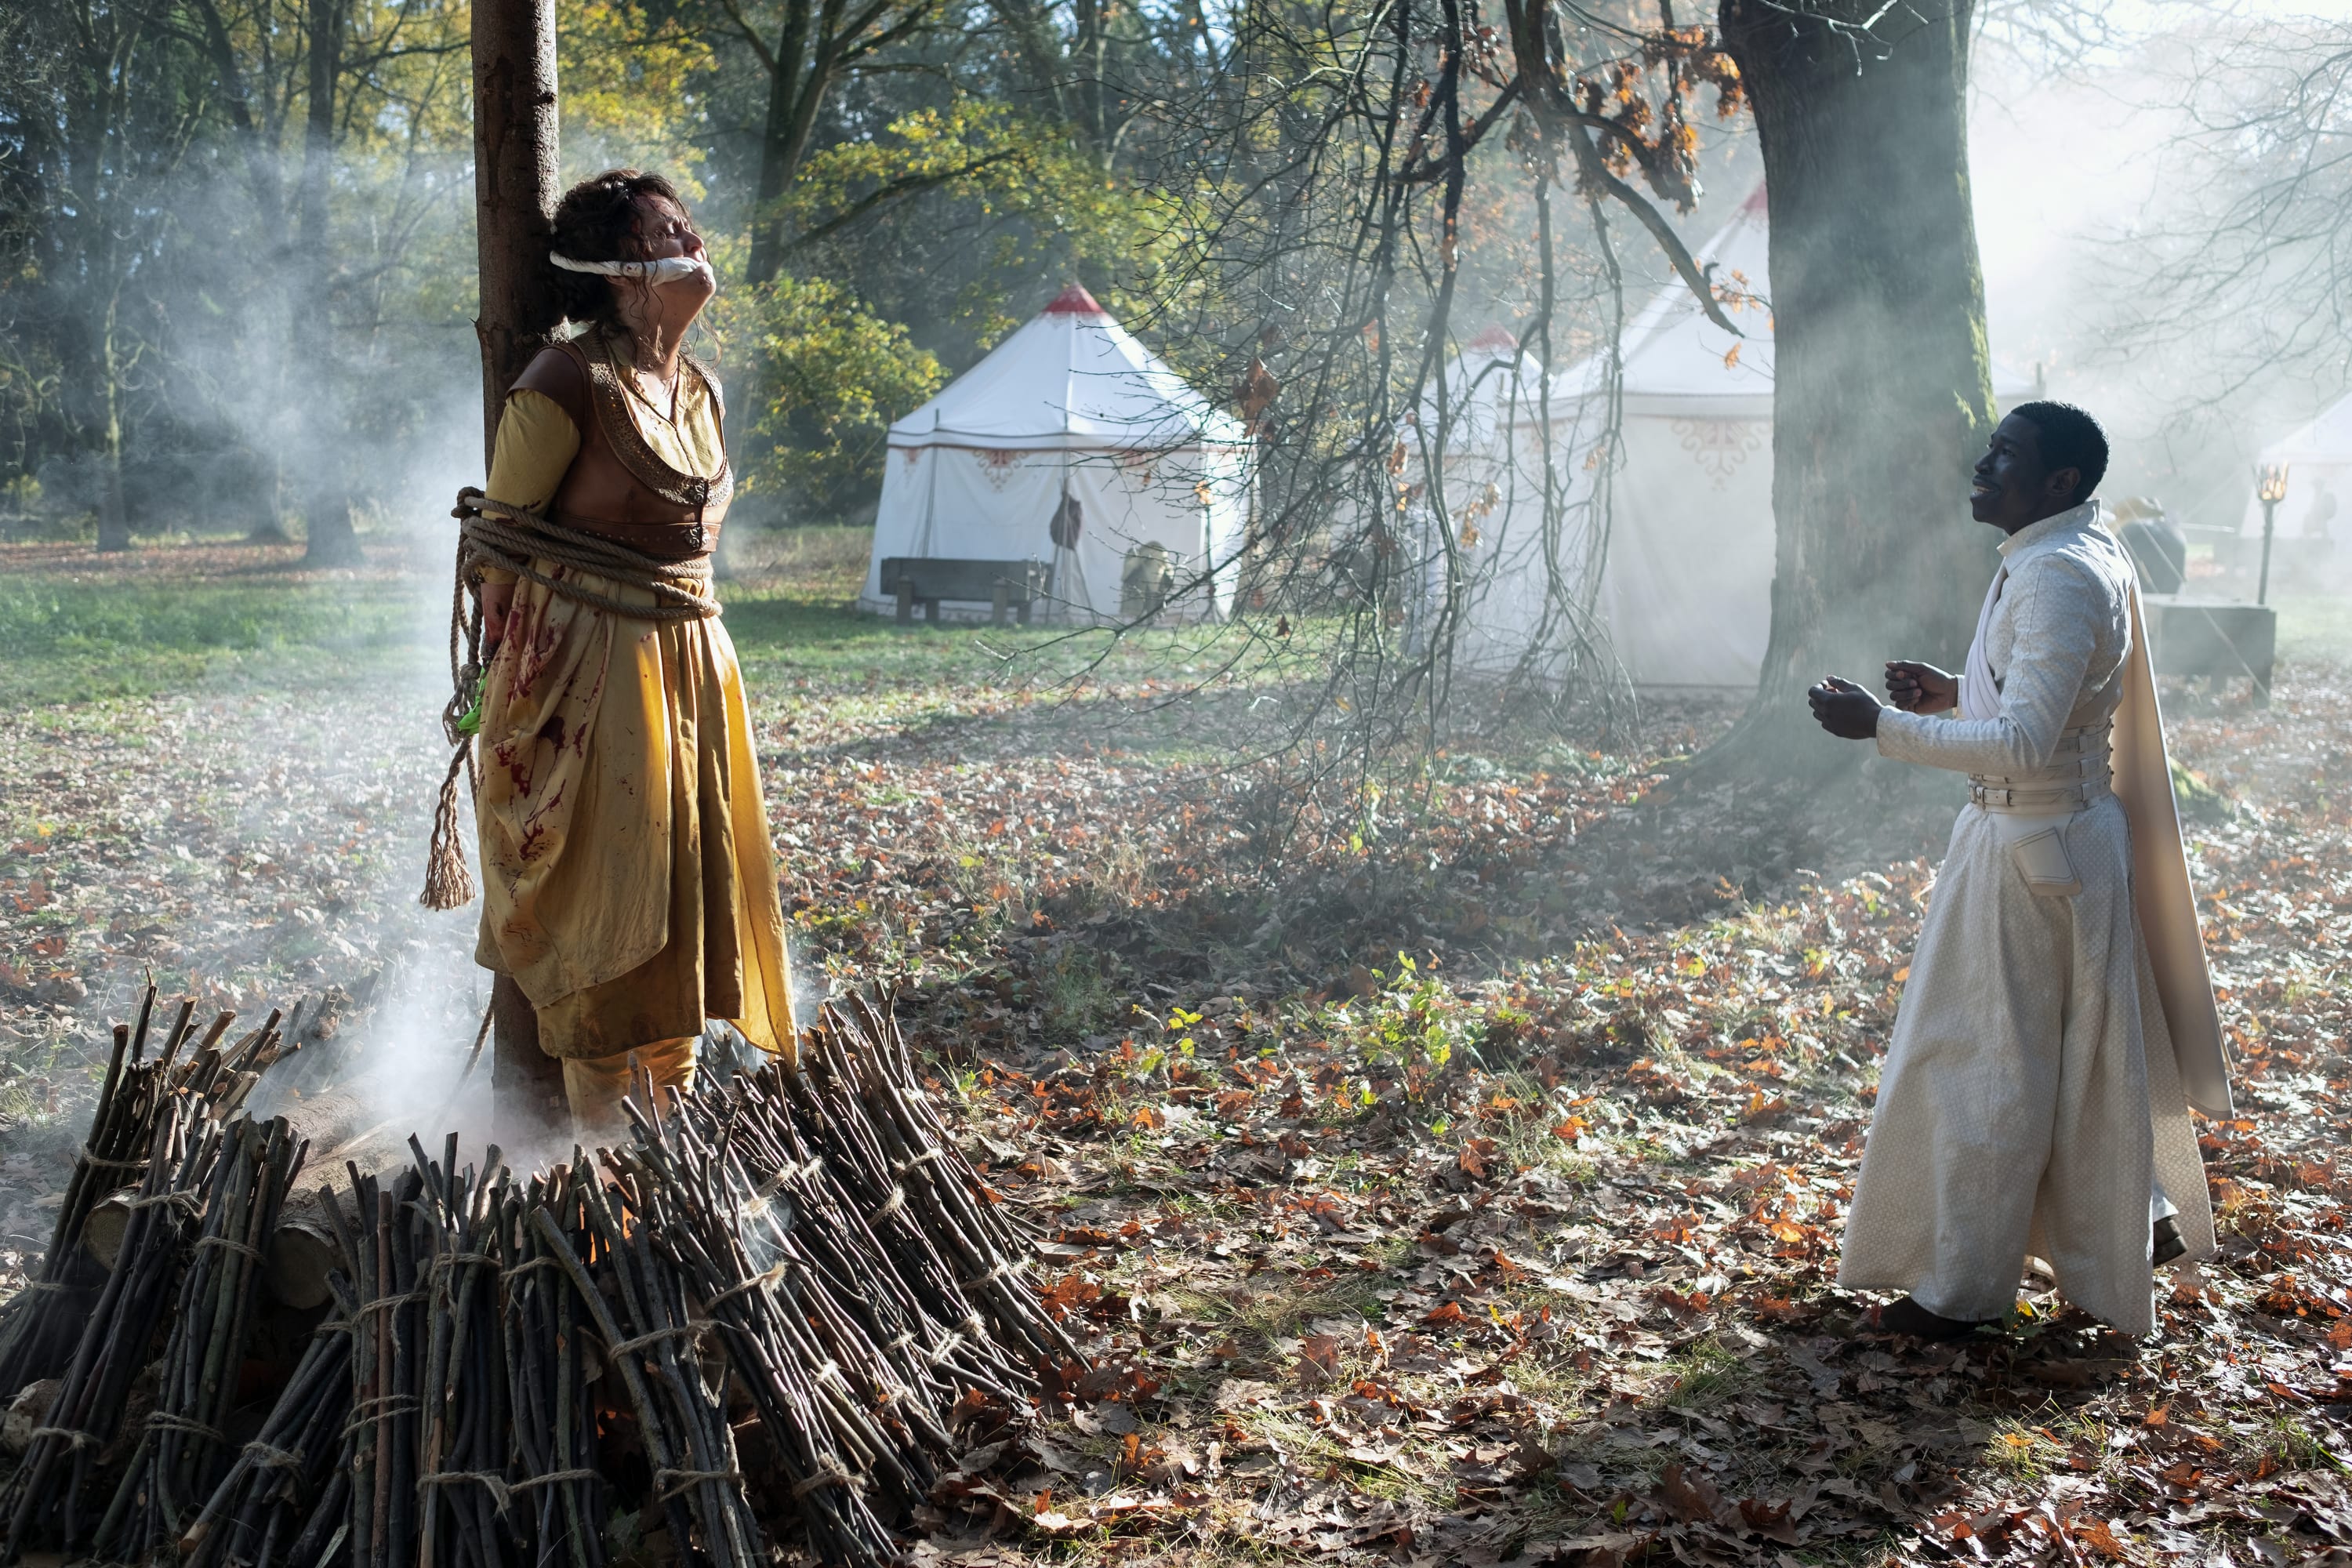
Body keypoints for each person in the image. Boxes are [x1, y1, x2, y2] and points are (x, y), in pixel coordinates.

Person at [1806, 401, 2231, 1339]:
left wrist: (1882, 726)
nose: (1983, 463)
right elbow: (2057, 702)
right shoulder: (2069, 550)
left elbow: (2027, 745)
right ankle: (2137, 1214)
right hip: (2056, 842)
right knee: (2069, 1055)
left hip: (2032, 846)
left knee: (1987, 1065)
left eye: (2006, 454)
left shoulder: (2057, 572)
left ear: (2059, 480)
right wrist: (1960, 693)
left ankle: (1961, 1295)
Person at [438, 169, 796, 1130]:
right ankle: (600, 1153)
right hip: (590, 681)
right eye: (669, 231)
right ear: (622, 269)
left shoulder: (702, 391)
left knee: (683, 912)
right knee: (609, 913)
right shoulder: (562, 383)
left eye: (688, 224)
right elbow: (499, 551)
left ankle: (666, 1146)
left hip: (693, 669)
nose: (695, 242)